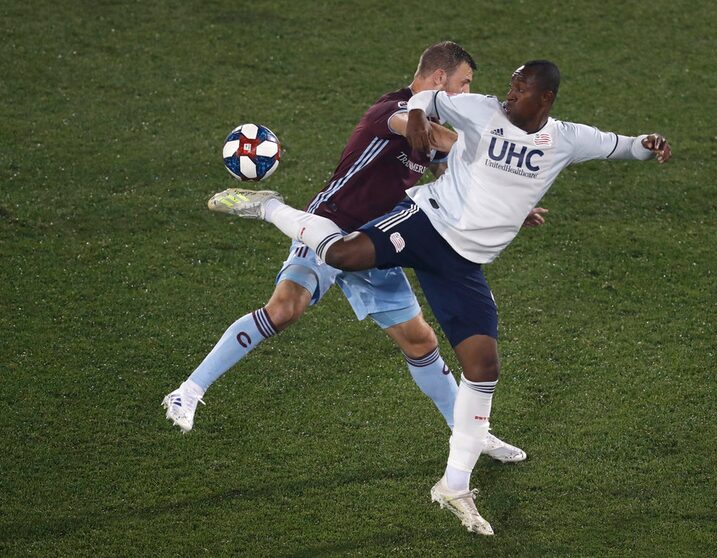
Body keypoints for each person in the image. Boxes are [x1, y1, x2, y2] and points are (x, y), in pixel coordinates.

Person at [209, 59, 672, 535]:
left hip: (463, 264)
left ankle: (453, 486)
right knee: (345, 254)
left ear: (546, 98)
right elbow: (429, 98)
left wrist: (647, 145)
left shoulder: (567, 139)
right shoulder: (482, 109)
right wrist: (413, 116)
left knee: (483, 366)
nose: (508, 95)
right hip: (426, 223)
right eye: (510, 87)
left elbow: (622, 146)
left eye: (520, 90)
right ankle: (267, 206)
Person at [162, 41, 529, 464]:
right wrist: (480, 143)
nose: (466, 94)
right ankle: (187, 391)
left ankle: (471, 435)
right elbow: (420, 132)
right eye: (464, 84)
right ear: (439, 79)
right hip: (327, 227)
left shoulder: (428, 128)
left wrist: (510, 202)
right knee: (285, 309)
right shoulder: (393, 111)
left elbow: (454, 179)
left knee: (419, 340)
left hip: (372, 245)